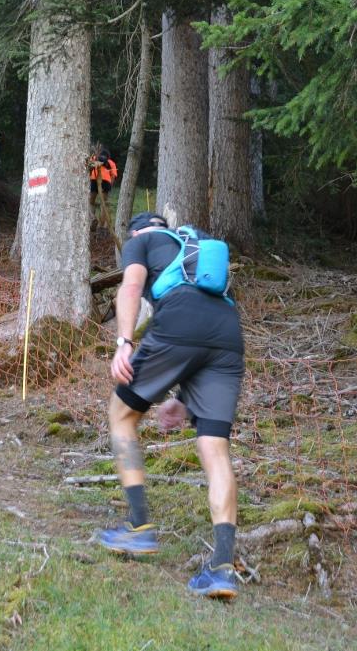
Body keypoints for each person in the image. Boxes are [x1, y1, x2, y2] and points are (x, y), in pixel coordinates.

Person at [95, 211, 245, 599]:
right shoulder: (197, 243)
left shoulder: (140, 242)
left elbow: (130, 289)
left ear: (138, 232)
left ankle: (139, 526)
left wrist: (124, 343)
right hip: (228, 333)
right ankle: (222, 568)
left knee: (121, 414)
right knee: (214, 446)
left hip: (180, 322)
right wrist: (182, 400)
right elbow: (206, 327)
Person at [88, 146, 118, 226]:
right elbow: (113, 176)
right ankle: (101, 225)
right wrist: (109, 186)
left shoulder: (94, 158)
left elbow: (88, 169)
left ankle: (92, 219)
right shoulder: (111, 163)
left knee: (91, 202)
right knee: (103, 204)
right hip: (106, 182)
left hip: (94, 179)